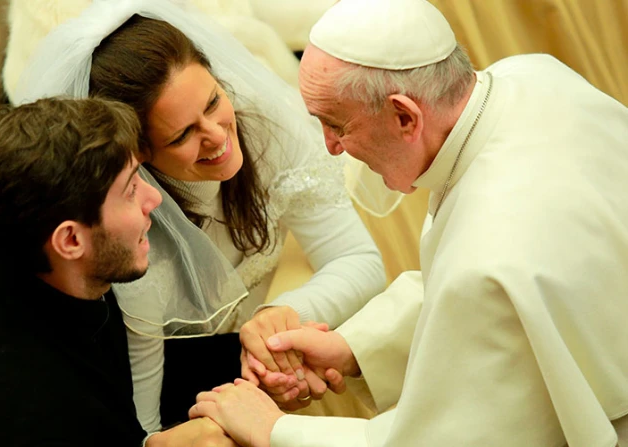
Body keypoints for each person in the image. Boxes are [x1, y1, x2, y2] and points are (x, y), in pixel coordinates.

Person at [189, 0, 628, 446]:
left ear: (405, 116)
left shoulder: (488, 255)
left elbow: (441, 439)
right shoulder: (534, 77)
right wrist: (354, 348)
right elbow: (495, 297)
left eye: (336, 125)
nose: (332, 147)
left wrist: (274, 429)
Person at [9, 0, 386, 433]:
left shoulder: (266, 128)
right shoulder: (133, 230)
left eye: (212, 102)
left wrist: (280, 318)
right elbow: (144, 415)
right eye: (183, 134)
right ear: (141, 154)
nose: (217, 135)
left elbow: (359, 260)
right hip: (182, 377)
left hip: (263, 350)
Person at [0, 97, 240, 446]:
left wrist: (250, 359)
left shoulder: (9, 221)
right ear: (71, 240)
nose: (154, 199)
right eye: (131, 190)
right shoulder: (38, 408)